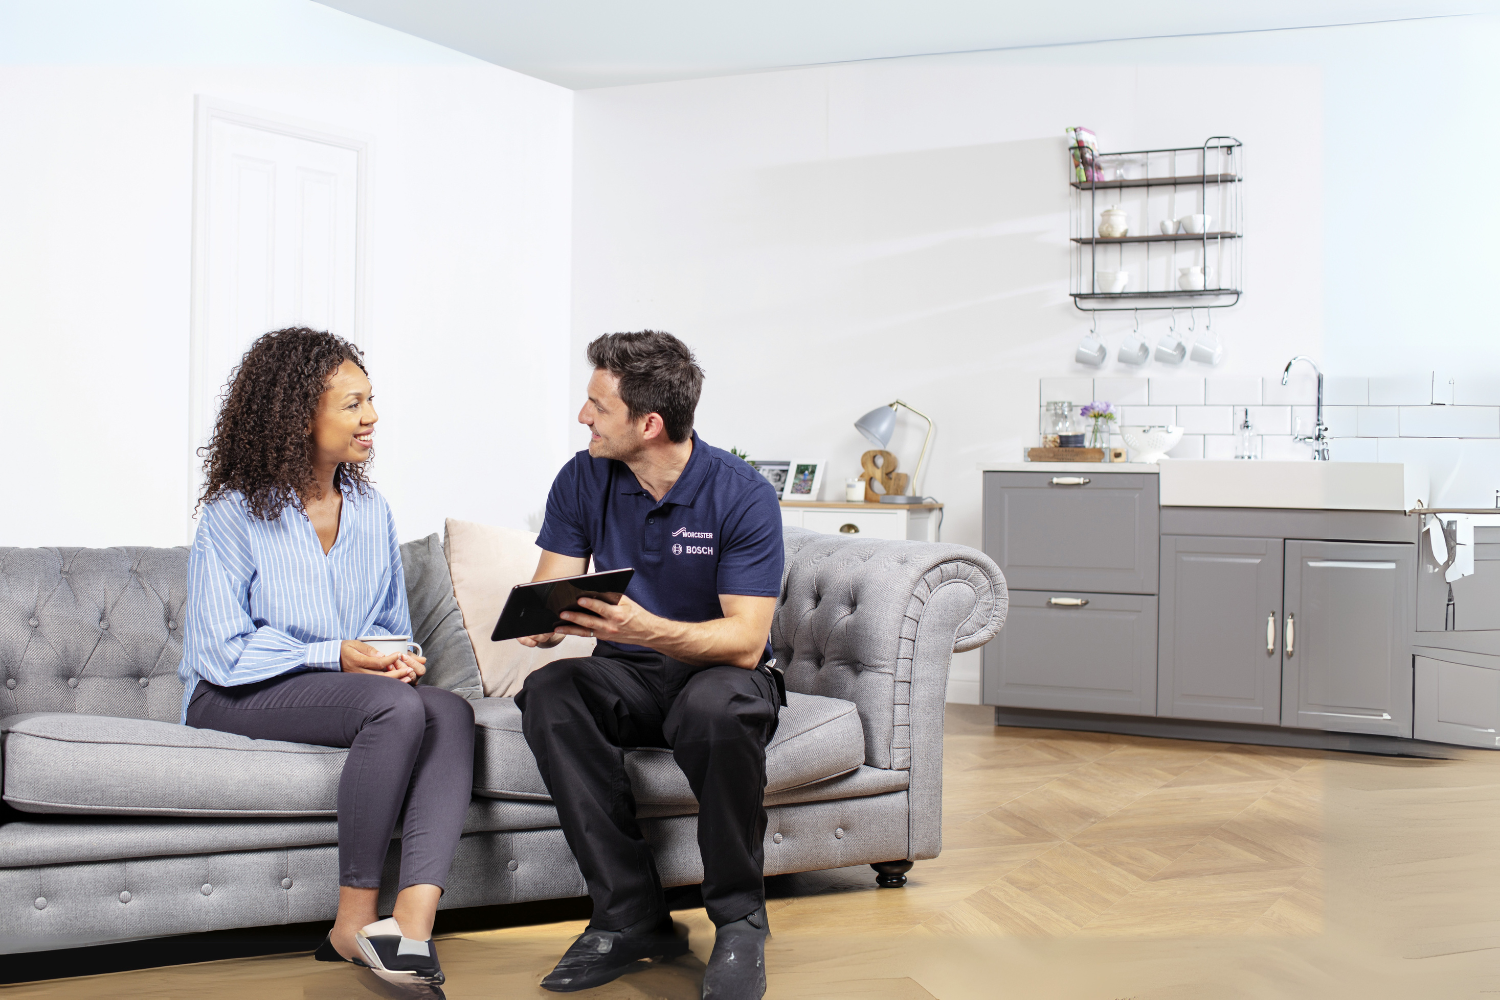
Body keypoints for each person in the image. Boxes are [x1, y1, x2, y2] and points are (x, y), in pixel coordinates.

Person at [180, 328, 474, 988]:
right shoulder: (233, 515)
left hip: (347, 693)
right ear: (296, 415)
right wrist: (335, 656)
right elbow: (218, 651)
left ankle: (411, 929)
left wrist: (398, 659)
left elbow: (388, 628)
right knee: (397, 711)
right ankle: (352, 920)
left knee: (449, 711)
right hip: (233, 692)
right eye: (352, 404)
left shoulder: (371, 510)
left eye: (371, 400)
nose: (371, 418)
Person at [516, 331, 785, 1000]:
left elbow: (746, 642)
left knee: (714, 708)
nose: (583, 417)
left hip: (720, 675)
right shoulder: (584, 475)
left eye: (596, 406)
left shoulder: (741, 494)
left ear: (649, 422)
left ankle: (740, 921)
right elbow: (554, 585)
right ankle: (630, 917)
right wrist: (544, 625)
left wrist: (647, 627)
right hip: (629, 674)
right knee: (551, 690)